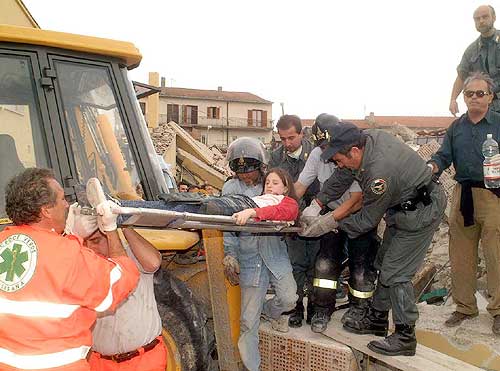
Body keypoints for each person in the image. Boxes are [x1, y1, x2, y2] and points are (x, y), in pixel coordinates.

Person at [300, 122, 446, 356]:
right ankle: (377, 319)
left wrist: (329, 224)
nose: (338, 164)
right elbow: (343, 175)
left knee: (396, 273)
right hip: (402, 209)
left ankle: (405, 336)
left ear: (354, 152)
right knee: (383, 262)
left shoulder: (379, 174)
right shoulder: (365, 140)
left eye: (338, 158)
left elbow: (366, 221)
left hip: (421, 212)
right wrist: (317, 203)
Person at [0, 168, 139, 371]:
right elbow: (122, 279)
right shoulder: (68, 256)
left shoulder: (4, 242)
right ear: (46, 210)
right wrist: (111, 230)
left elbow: (44, 270)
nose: (67, 204)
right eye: (62, 199)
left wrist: (72, 236)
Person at [430, 71, 500, 335]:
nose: (474, 98)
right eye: (469, 93)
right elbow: (443, 155)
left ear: (490, 97)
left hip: (494, 195)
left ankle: (498, 310)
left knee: (496, 254)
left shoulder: (498, 124)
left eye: (480, 93)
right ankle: (465, 307)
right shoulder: (456, 127)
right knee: (460, 253)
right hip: (463, 194)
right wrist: (432, 166)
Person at [297, 113, 378, 333]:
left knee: (361, 266)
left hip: (359, 215)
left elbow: (356, 199)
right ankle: (322, 308)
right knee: (324, 263)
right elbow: (301, 185)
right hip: (332, 213)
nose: (326, 152)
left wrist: (327, 221)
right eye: (322, 147)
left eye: (328, 147)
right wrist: (297, 209)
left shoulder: (354, 155)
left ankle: (360, 310)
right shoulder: (317, 154)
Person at [222, 137, 297, 371]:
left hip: (274, 253)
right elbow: (226, 224)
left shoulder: (271, 184)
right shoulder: (230, 188)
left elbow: (285, 207)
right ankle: (252, 367)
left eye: (250, 171)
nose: (246, 176)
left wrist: (255, 211)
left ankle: (269, 311)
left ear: (261, 167)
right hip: (249, 257)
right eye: (241, 172)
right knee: (247, 321)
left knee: (288, 298)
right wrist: (230, 254)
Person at [85, 226, 166, 371]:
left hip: (144, 360)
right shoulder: (86, 265)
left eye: (96, 241)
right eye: (85, 242)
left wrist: (122, 225)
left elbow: (154, 262)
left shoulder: (133, 257)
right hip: (101, 363)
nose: (90, 247)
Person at [269, 114, 320, 328]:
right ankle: (297, 308)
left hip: (318, 216)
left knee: (317, 267)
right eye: (283, 139)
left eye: (291, 138)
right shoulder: (275, 158)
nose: (288, 143)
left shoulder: (317, 155)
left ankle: (316, 310)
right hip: (291, 221)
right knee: (296, 265)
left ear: (301, 133)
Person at [449, 5, 500, 115]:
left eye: (485, 17)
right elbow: (462, 76)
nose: (481, 21)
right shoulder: (471, 50)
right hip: (485, 109)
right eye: (477, 19)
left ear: (494, 17)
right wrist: (453, 99)